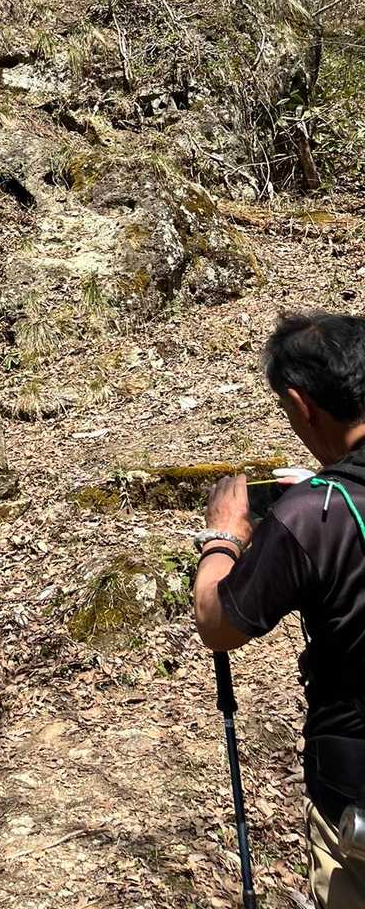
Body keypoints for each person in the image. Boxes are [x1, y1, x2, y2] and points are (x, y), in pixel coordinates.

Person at [195, 312, 365, 907]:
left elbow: (219, 623)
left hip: (354, 787)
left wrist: (222, 537)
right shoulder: (321, 505)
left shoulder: (313, 516)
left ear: (300, 403)